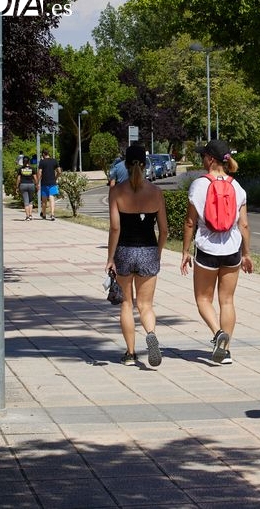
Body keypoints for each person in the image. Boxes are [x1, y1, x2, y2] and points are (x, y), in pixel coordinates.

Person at [180, 140, 253, 365]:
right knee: (227, 300)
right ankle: (227, 351)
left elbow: (190, 223)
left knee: (203, 298)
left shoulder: (198, 185)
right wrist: (246, 254)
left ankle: (217, 333)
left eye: (204, 156)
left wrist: (185, 251)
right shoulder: (237, 187)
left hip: (207, 250)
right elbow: (244, 225)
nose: (202, 159)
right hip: (232, 249)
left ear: (210, 159)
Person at [106, 144, 168, 367]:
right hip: (148, 250)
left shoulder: (116, 191)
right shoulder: (156, 192)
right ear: (145, 164)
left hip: (124, 250)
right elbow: (164, 230)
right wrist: (157, 252)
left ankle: (130, 354)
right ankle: (150, 334)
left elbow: (115, 228)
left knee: (126, 305)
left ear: (125, 164)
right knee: (146, 305)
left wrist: (110, 257)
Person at [37, 148, 61, 221]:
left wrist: (38, 182)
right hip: (52, 182)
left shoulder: (42, 162)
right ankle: (52, 214)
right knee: (52, 198)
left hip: (44, 182)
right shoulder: (54, 161)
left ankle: (44, 214)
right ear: (48, 153)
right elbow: (59, 171)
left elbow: (40, 172)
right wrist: (56, 178)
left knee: (44, 200)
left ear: (43, 154)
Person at [16, 156, 38, 221]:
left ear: (23, 161)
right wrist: (37, 185)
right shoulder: (32, 168)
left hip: (23, 185)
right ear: (29, 161)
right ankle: (30, 215)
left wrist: (17, 187)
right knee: (30, 200)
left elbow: (18, 178)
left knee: (26, 201)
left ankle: (27, 216)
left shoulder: (20, 169)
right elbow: (35, 178)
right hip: (31, 185)